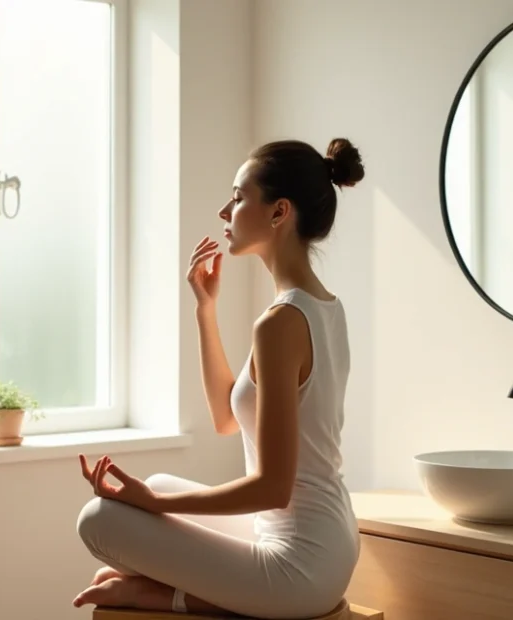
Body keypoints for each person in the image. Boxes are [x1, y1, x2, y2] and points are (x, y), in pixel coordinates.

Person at [73, 137, 366, 619]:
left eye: (238, 196)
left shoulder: (280, 323)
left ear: (279, 213)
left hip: (302, 566)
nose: (223, 209)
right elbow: (227, 419)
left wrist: (154, 507)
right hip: (326, 541)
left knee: (99, 521)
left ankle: (167, 595)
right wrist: (205, 311)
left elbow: (272, 488)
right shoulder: (323, 307)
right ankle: (181, 585)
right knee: (162, 482)